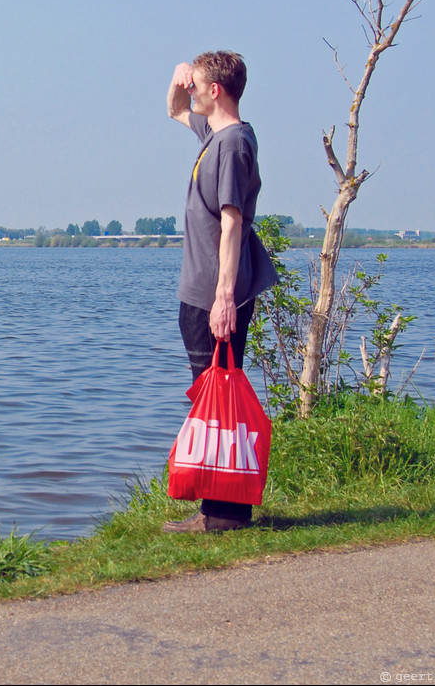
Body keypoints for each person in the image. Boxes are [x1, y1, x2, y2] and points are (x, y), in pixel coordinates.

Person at [162, 50, 277, 533]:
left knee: (219, 397)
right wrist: (178, 74)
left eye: (198, 86)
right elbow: (172, 109)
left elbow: (232, 223)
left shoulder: (231, 145)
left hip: (215, 293)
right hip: (202, 290)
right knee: (209, 398)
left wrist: (224, 297)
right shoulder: (216, 135)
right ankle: (217, 508)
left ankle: (224, 514)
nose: (192, 93)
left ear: (218, 91)